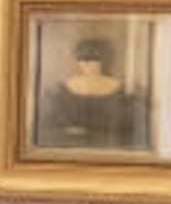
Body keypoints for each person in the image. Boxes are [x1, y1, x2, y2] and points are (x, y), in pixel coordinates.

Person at [38, 29, 153, 157]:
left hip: (113, 152)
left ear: (104, 60)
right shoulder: (58, 91)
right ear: (77, 61)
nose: (88, 65)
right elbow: (46, 130)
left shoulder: (125, 92)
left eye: (94, 60)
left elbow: (135, 132)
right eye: (83, 59)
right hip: (70, 152)